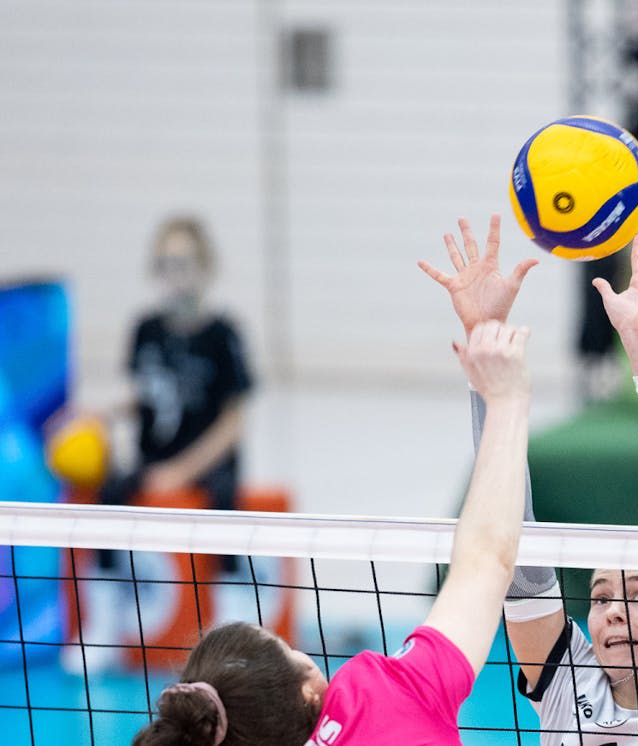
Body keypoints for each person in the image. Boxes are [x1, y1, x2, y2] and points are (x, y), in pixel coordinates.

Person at [131, 219, 534, 746]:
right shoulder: (380, 695)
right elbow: (486, 560)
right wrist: (506, 398)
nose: (304, 653)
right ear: (307, 693)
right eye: (286, 649)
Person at [422, 218, 638, 744]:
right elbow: (512, 533)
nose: (613, 615)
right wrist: (484, 344)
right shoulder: (568, 684)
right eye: (601, 598)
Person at [70, 217, 256, 673]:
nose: (175, 273)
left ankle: (233, 623)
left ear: (206, 267)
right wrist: (98, 413)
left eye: (185, 262)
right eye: (166, 263)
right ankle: (106, 619)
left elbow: (233, 423)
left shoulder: (223, 334)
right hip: (155, 455)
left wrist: (183, 472)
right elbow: (146, 395)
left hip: (208, 460)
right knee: (110, 489)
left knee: (225, 495)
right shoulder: (146, 329)